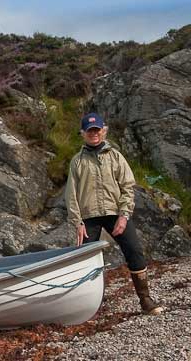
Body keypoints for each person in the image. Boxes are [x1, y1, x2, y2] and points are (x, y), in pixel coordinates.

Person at [65, 112, 163, 315]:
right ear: (83, 133)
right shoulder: (77, 161)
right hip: (88, 217)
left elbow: (128, 187)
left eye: (97, 130)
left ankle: (145, 300)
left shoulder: (116, 156)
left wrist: (124, 215)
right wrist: (77, 222)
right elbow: (71, 194)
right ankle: (86, 308)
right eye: (90, 131)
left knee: (135, 250)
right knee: (85, 260)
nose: (94, 134)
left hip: (114, 213)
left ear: (104, 131)